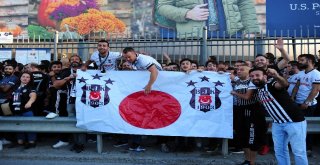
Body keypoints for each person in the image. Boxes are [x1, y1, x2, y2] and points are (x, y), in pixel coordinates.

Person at [249, 68, 308, 165]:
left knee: (298, 151)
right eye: (252, 76)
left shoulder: (271, 84)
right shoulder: (258, 91)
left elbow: (284, 84)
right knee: (279, 151)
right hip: (277, 123)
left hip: (294, 121)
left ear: (264, 76)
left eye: (257, 75)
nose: (254, 78)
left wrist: (276, 76)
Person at [155, 0, 260, 37]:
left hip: (232, 35)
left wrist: (250, 31)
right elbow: (162, 6)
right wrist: (187, 13)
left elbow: (245, 3)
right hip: (194, 37)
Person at [231, 65, 266, 165]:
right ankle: (247, 160)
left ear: (248, 72)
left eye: (242, 69)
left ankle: (252, 162)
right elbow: (225, 75)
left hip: (251, 110)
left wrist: (235, 93)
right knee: (242, 136)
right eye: (237, 69)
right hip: (238, 110)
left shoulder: (252, 81)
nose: (239, 71)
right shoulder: (236, 80)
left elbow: (247, 97)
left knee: (252, 137)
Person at [291, 54, 320, 156]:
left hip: (308, 105)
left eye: (302, 60)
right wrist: (292, 97)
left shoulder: (316, 74)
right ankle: (299, 147)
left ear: (309, 61)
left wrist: (306, 102)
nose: (299, 62)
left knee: (306, 127)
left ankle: (308, 149)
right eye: (299, 60)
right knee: (297, 126)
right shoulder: (301, 73)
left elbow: (315, 90)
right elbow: (297, 86)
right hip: (298, 103)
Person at [11, 72, 37, 149]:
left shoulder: (31, 87)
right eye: (23, 76)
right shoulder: (15, 87)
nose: (25, 78)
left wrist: (30, 102)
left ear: (30, 79)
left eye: (27, 77)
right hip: (16, 111)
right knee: (18, 127)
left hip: (27, 111)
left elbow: (33, 95)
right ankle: (20, 142)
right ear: (20, 77)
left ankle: (31, 142)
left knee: (30, 126)